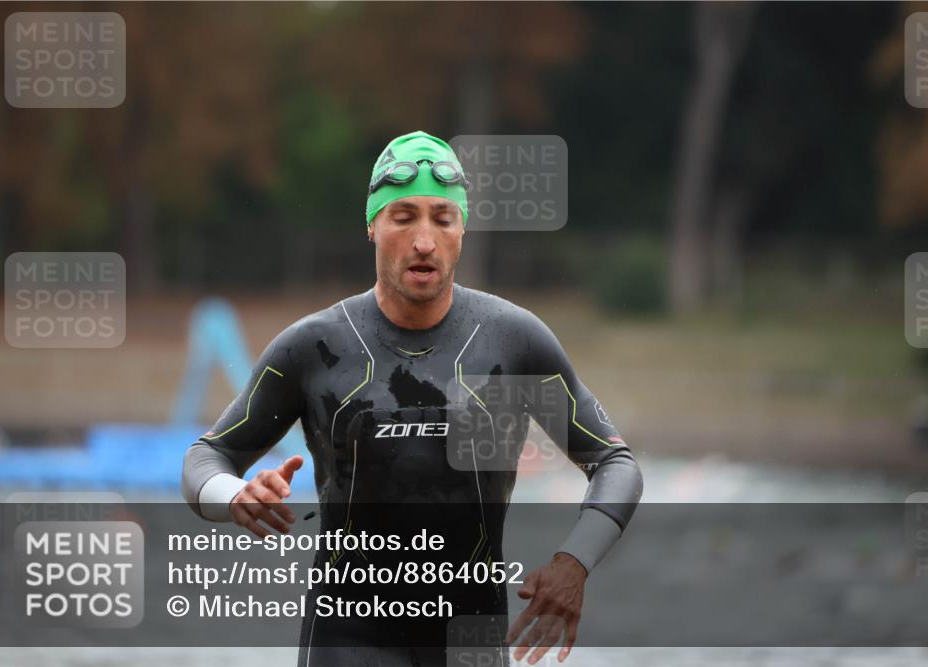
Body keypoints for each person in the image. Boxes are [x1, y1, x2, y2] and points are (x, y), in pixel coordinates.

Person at [181, 130, 643, 667]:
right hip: (348, 637)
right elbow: (205, 457)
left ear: (462, 229)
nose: (424, 240)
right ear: (373, 225)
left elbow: (614, 461)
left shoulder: (513, 340)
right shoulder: (314, 346)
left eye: (442, 218)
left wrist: (573, 564)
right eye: (404, 217)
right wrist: (234, 494)